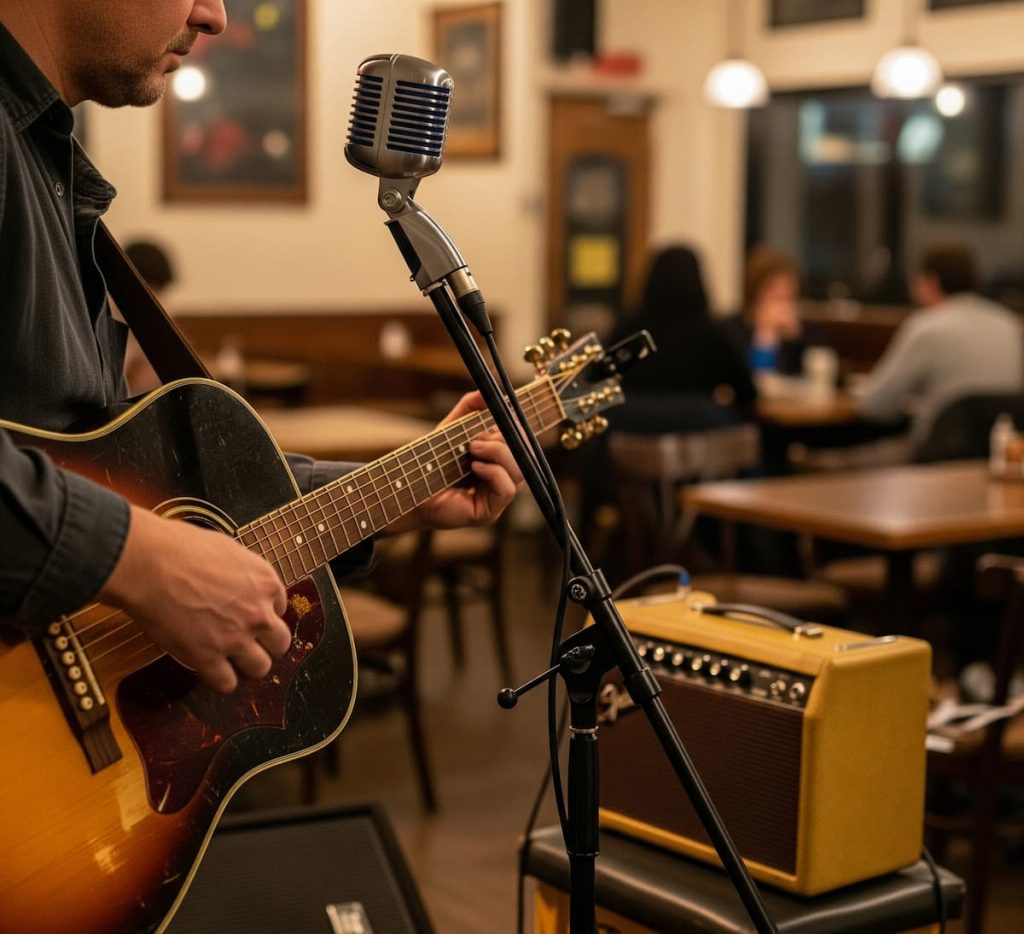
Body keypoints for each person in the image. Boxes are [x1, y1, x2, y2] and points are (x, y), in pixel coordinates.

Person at [0, 0, 522, 694]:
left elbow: (143, 483)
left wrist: (396, 495)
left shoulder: (43, 161)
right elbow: (141, 532)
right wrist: (140, 561)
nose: (214, 16)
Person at [857, 243, 1023, 447]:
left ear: (931, 281)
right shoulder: (1008, 325)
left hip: (934, 455)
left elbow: (875, 405)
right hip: (995, 455)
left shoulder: (926, 327)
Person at [611, 244, 756, 408]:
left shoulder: (629, 331)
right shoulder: (711, 334)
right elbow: (747, 392)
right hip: (700, 428)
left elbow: (604, 380)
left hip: (631, 426)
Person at [723, 246, 816, 379]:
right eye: (773, 289)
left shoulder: (806, 332)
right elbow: (751, 380)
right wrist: (765, 334)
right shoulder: (730, 329)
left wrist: (795, 341)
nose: (782, 297)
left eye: (789, 291)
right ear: (754, 292)